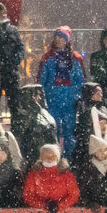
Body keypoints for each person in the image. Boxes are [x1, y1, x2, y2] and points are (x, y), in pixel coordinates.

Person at [37, 27, 86, 157]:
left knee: (69, 130)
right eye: (57, 37)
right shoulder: (48, 58)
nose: (58, 40)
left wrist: (78, 96)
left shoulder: (75, 58)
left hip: (70, 99)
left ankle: (67, 158)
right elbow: (42, 79)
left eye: (61, 37)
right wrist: (41, 95)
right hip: (52, 98)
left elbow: (80, 80)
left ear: (67, 40)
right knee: (53, 129)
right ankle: (54, 157)